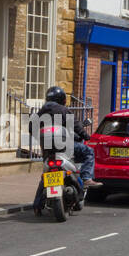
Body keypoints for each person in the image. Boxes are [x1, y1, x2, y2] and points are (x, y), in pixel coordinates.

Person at [30, 86, 97, 215]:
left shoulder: (40, 113)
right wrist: (85, 135)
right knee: (89, 152)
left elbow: (32, 128)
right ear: (62, 99)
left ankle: (37, 205)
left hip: (48, 150)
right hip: (65, 147)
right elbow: (76, 126)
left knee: (46, 176)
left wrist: (40, 137)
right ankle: (87, 178)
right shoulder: (63, 110)